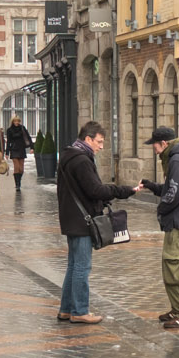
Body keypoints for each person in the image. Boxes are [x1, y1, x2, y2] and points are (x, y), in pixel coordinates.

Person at [56, 121, 141, 324]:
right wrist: (124, 190)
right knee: (82, 267)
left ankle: (67, 309)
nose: (101, 146)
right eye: (99, 142)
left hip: (71, 217)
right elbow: (96, 190)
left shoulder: (68, 155)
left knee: (73, 265)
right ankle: (79, 311)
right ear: (88, 139)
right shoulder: (82, 161)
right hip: (82, 220)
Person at [141, 126, 179, 329]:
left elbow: (176, 193)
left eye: (156, 146)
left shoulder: (176, 160)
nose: (155, 150)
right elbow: (172, 188)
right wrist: (152, 186)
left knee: (174, 268)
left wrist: (162, 209)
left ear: (164, 144)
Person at [5, 117, 30, 191]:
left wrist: (32, 147)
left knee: (21, 169)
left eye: (18, 121)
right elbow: (8, 141)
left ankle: (19, 179)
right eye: (15, 121)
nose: (16, 122)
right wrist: (7, 153)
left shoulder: (22, 128)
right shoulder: (9, 130)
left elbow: (28, 137)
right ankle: (17, 184)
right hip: (14, 149)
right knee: (17, 167)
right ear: (12, 122)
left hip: (21, 149)